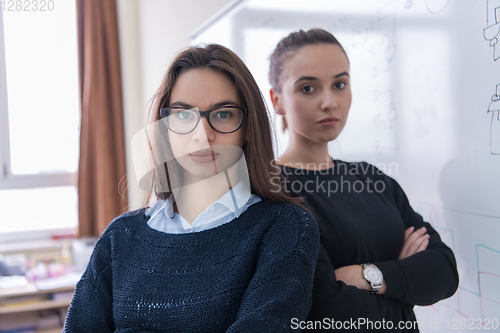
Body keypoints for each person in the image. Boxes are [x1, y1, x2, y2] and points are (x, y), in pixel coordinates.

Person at [64, 44, 320, 332]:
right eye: (184, 116)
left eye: (223, 115)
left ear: (248, 128)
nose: (203, 135)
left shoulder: (285, 228)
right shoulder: (119, 237)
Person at [268, 29, 459, 332]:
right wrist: (404, 287)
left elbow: (445, 271)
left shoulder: (372, 178)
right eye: (308, 88)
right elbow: (323, 310)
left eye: (340, 84)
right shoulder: (272, 191)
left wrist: (366, 276)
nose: (329, 102)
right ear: (277, 100)